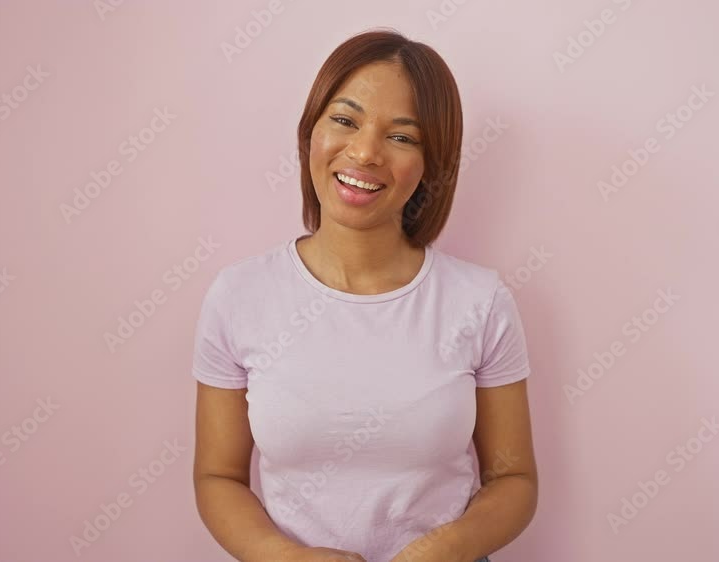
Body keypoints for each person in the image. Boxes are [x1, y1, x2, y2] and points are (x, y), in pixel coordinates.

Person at [192, 28, 537, 562]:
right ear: (310, 132)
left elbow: (513, 479)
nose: (365, 152)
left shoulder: (481, 301)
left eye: (401, 137)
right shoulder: (239, 296)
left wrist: (444, 550)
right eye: (345, 121)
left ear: (430, 163)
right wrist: (284, 558)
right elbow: (218, 476)